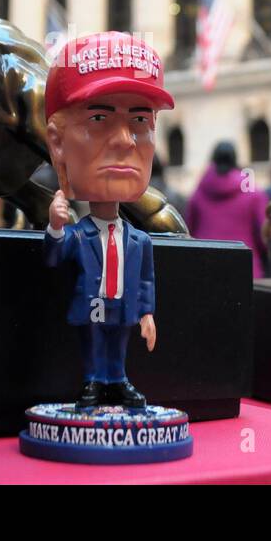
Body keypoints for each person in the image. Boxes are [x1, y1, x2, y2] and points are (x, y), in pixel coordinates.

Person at [42, 31, 174, 409]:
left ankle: (116, 380)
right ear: (57, 142)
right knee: (95, 342)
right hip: (91, 304)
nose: (126, 141)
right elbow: (53, 257)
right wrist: (54, 227)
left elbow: (146, 280)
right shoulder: (79, 235)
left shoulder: (140, 240)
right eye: (99, 117)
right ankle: (94, 381)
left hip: (124, 306)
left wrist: (147, 314)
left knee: (117, 342)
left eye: (139, 120)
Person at [186, 141, 270, 277]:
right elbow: (264, 237)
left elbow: (189, 230)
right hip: (245, 269)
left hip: (204, 268)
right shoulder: (253, 193)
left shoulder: (198, 193)